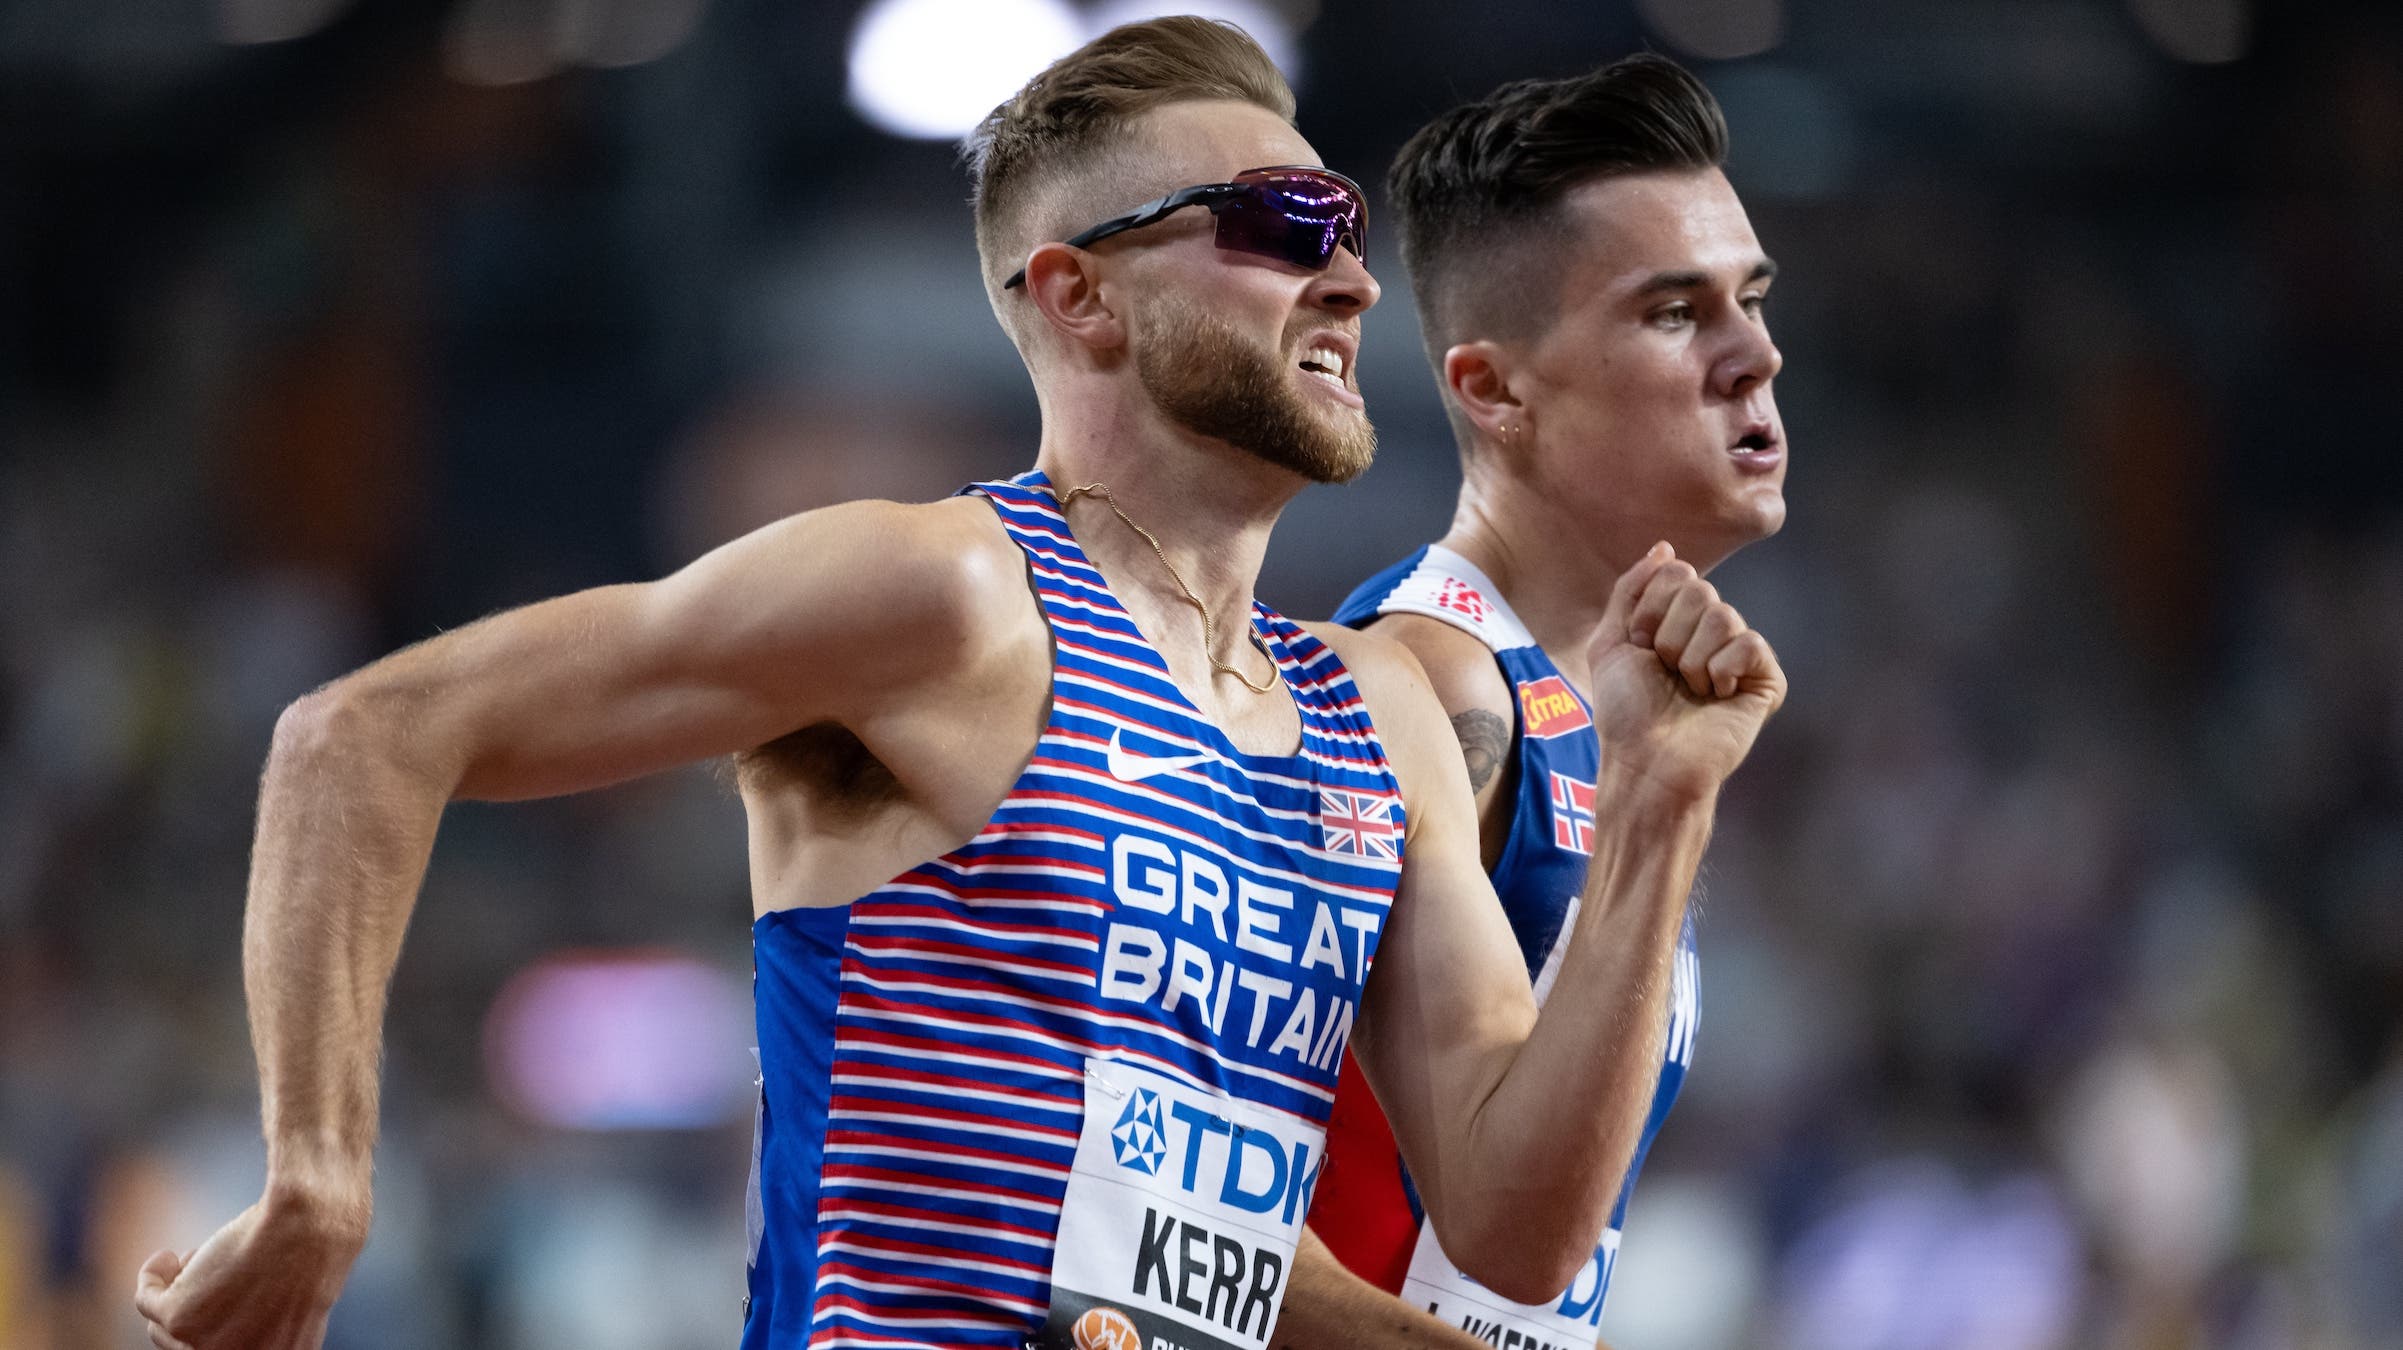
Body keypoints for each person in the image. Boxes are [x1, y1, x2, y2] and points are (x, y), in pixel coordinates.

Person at [132, 20, 1782, 1350]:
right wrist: (319, 1183)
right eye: (1285, 229)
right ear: (1082, 295)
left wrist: (1657, 803)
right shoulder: (952, 597)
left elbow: (1510, 1223)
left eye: (1348, 232)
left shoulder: (1379, 716)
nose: (1351, 279)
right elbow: (366, 728)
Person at [1276, 54, 1786, 1350]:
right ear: (1492, 390)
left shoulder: (1596, 703)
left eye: (1752, 298)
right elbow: (1166, 1220)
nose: (1755, 355)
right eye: (1676, 312)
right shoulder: (1426, 690)